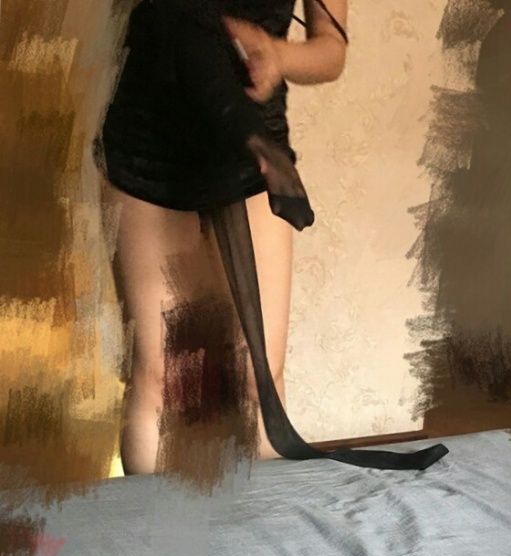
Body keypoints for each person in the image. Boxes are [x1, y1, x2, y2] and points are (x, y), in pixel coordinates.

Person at [96, 0, 448, 474]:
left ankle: (262, 514)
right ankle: (150, 519)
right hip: (149, 144)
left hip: (255, 157)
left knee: (259, 375)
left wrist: (278, 55)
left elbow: (330, 50)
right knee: (161, 376)